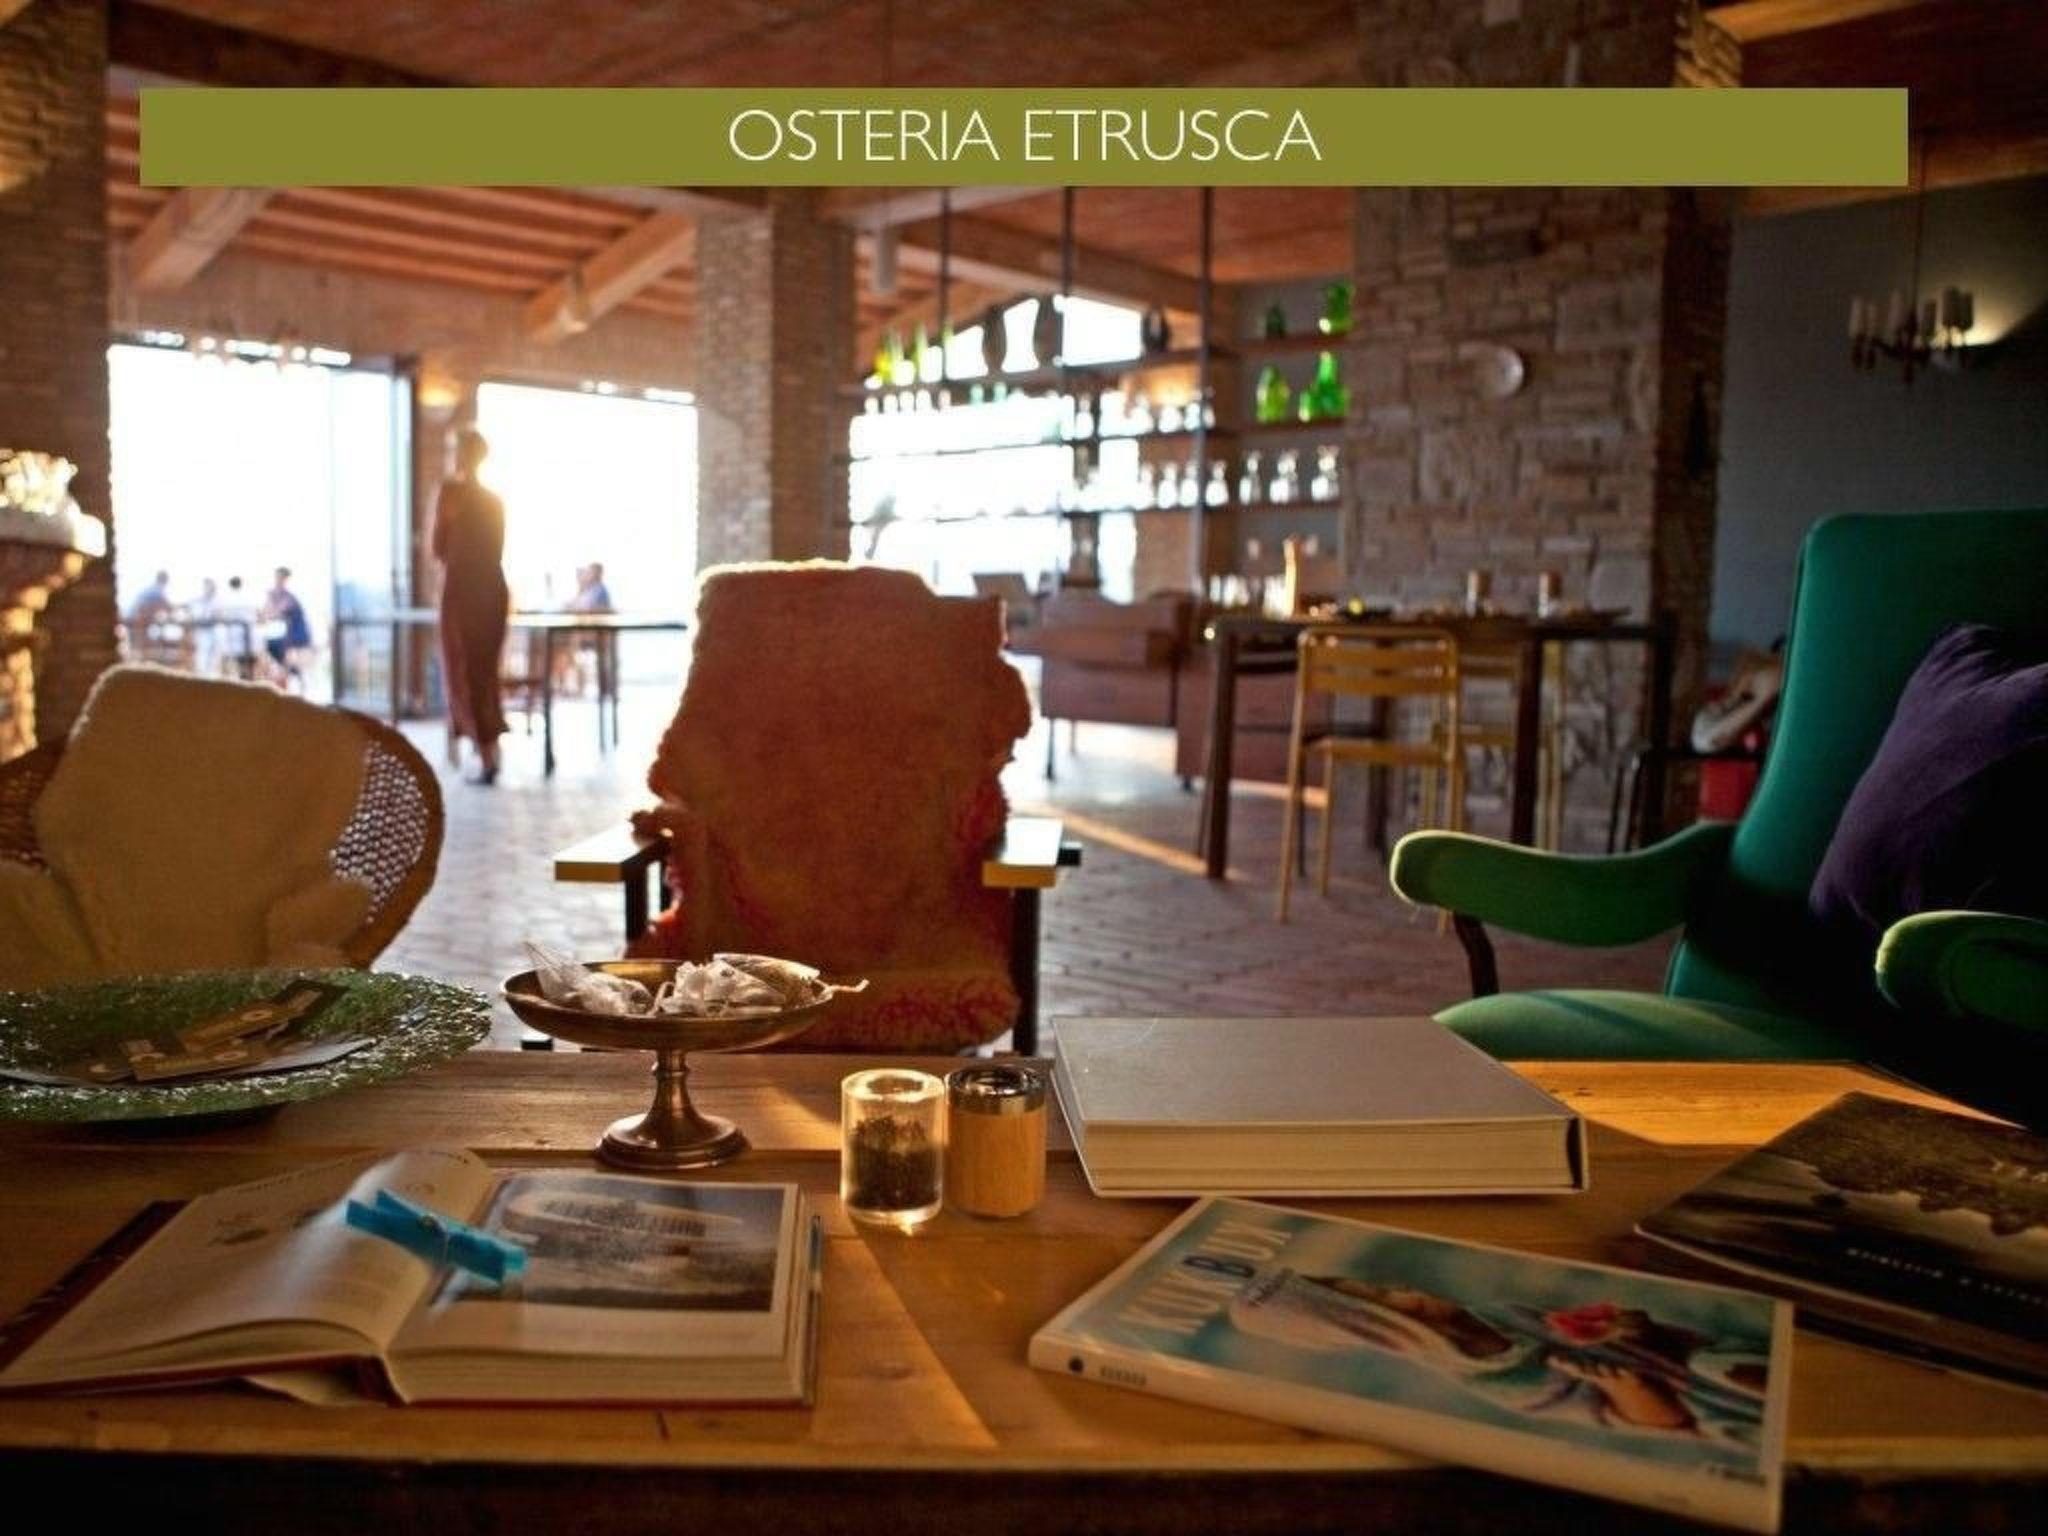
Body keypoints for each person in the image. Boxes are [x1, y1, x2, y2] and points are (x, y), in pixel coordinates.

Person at [433, 426, 510, 784]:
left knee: (462, 668)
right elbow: (497, 549)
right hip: (492, 589)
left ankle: (485, 754)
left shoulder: (451, 494)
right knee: (483, 671)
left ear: (460, 454)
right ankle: (486, 749)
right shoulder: (494, 500)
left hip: (463, 590)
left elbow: (438, 547)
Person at [261, 566, 314, 690]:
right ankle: (289, 682)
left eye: (280, 577)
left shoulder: (289, 596)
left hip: (295, 634)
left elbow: (275, 613)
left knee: (289, 661)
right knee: (278, 655)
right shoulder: (275, 594)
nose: (278, 580)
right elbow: (267, 613)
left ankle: (296, 685)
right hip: (285, 635)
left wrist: (270, 604)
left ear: (285, 579)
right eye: (277, 577)